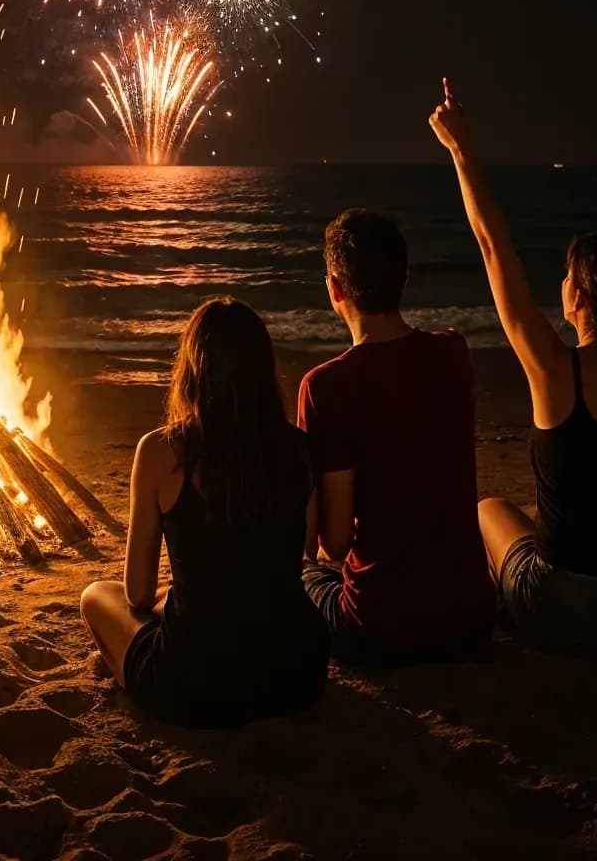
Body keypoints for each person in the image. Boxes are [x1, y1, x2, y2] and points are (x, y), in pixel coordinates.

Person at [429, 81, 597, 652]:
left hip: (566, 608)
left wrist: (460, 151)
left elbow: (496, 248)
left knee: (491, 508)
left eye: (568, 275)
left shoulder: (554, 369)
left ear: (582, 298)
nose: (560, 285)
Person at [80, 298, 328, 728]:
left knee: (96, 597)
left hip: (195, 685)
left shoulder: (161, 450)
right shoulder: (298, 448)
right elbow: (302, 555)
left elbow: (137, 594)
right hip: (296, 676)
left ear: (192, 370)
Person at [297, 208, 495, 663]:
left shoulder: (325, 385)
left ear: (334, 288)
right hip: (471, 620)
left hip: (381, 629)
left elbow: (334, 543)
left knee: (302, 575)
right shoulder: (452, 351)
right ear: (404, 278)